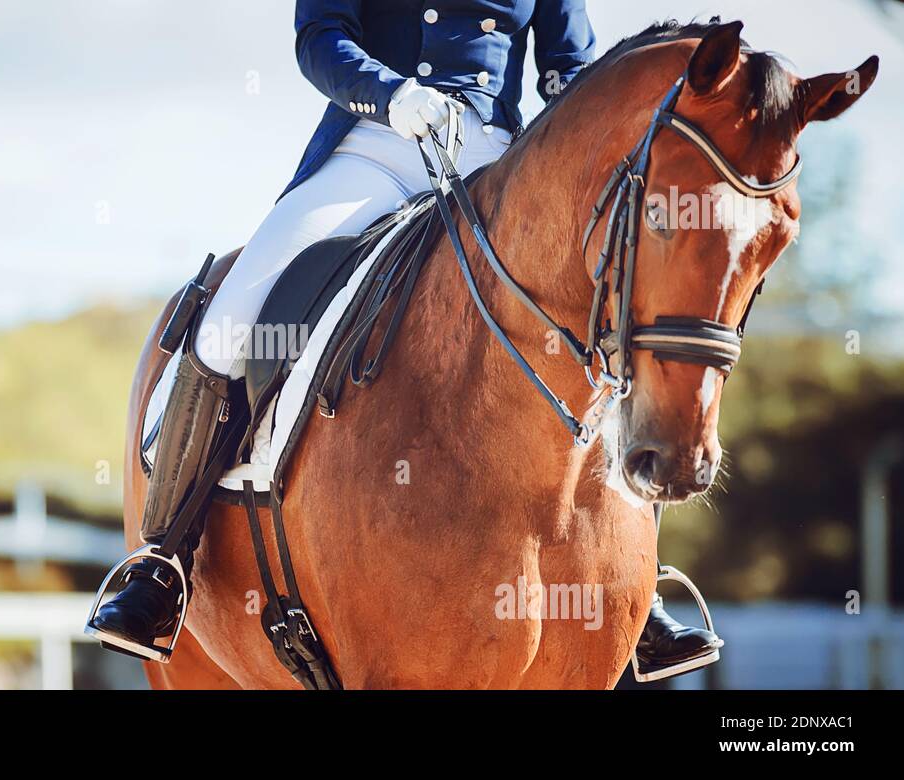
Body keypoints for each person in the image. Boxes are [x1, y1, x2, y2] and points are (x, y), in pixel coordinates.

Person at [88, 0, 722, 682]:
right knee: (233, 321)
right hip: (376, 143)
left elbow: (570, 65)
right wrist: (392, 95)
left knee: (611, 314)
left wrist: (576, 134)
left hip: (501, 158)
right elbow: (320, 36)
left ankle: (638, 588)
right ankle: (165, 562)